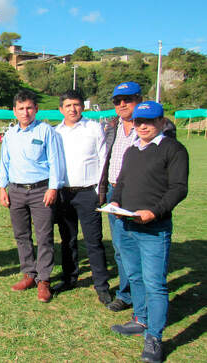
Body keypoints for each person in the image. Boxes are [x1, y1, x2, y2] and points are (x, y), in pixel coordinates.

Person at [108, 101, 188, 363]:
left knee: (155, 283)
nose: (142, 126)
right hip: (127, 223)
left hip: (154, 228)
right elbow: (120, 182)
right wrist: (116, 202)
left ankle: (154, 336)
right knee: (135, 275)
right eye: (139, 121)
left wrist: (155, 211)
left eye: (149, 121)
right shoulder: (132, 150)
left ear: (162, 121)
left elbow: (178, 188)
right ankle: (141, 319)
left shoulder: (173, 149)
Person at [0, 90, 65, 303]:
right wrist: (2, 188)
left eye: (29, 108)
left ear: (35, 109)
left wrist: (53, 188)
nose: (25, 112)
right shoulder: (10, 134)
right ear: (14, 111)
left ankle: (44, 280)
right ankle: (29, 274)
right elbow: (5, 162)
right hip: (16, 191)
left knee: (44, 236)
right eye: (21, 108)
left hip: (40, 190)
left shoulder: (46, 131)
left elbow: (56, 161)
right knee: (21, 235)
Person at [52, 90, 111, 305]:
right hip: (64, 193)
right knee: (67, 239)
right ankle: (69, 278)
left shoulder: (94, 129)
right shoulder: (55, 132)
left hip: (88, 193)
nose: (72, 109)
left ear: (82, 107)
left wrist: (99, 191)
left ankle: (102, 285)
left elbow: (104, 159)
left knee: (94, 241)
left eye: (76, 104)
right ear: (61, 109)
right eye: (68, 105)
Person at [98, 81, 142, 312]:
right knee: (120, 245)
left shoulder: (152, 127)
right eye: (118, 101)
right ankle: (126, 294)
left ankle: (142, 294)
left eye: (128, 99)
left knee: (140, 244)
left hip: (139, 193)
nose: (123, 104)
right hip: (114, 192)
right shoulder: (112, 127)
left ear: (140, 99)